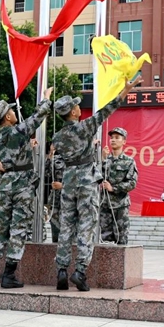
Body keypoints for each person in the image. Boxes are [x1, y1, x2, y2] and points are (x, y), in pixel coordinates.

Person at [52, 77, 142, 292]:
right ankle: (80, 271)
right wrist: (125, 90)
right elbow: (107, 110)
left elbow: (59, 159)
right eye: (76, 106)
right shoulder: (84, 127)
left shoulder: (57, 137)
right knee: (86, 225)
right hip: (86, 179)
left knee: (66, 226)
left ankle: (62, 270)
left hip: (69, 180)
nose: (78, 108)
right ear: (73, 112)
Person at [0, 88, 53, 289]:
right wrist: (46, 98)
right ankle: (8, 275)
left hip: (5, 185)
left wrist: (1, 166)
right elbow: (39, 115)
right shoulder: (20, 131)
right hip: (23, 185)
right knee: (18, 228)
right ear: (7, 116)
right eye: (12, 111)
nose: (14, 113)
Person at [100, 127, 139, 245]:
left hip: (121, 206)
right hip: (105, 205)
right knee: (105, 240)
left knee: (121, 240)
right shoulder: (105, 160)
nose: (113, 140)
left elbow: (132, 183)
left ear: (124, 142)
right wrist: (102, 159)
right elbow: (95, 176)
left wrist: (114, 188)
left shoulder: (128, 161)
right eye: (112, 138)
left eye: (117, 138)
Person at [45, 146, 65, 243]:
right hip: (56, 198)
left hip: (71, 198)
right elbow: (46, 172)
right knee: (55, 226)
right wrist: (50, 154)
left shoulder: (78, 159)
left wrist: (63, 186)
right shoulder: (56, 159)